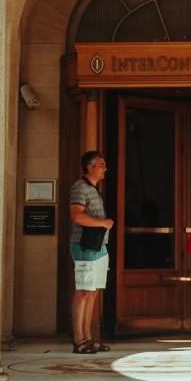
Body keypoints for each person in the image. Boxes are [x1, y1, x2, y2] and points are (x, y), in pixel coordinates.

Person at [68, 149, 113, 353]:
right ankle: (79, 339)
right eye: (102, 165)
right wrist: (103, 223)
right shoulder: (80, 187)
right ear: (90, 167)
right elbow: (77, 216)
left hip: (98, 248)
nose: (105, 169)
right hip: (84, 246)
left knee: (93, 292)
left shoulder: (94, 189)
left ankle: (88, 336)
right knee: (83, 291)